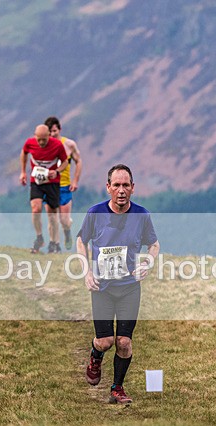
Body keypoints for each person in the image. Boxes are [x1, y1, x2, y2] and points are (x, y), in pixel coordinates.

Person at [75, 164, 160, 404]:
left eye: (125, 185)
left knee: (123, 341)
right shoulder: (95, 213)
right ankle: (95, 355)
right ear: (108, 188)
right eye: (116, 185)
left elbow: (154, 244)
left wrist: (148, 263)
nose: (121, 190)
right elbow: (81, 241)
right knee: (105, 342)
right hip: (102, 288)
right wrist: (87, 272)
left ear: (133, 188)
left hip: (129, 287)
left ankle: (117, 388)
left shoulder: (141, 215)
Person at [20, 124, 68, 253]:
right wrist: (23, 172)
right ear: (35, 136)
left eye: (44, 139)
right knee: (35, 208)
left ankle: (53, 242)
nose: (41, 142)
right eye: (39, 139)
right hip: (36, 181)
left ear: (49, 136)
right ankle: (39, 237)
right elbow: (24, 153)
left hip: (52, 182)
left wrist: (57, 171)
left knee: (52, 214)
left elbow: (65, 162)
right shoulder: (29, 143)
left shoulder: (57, 145)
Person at [44, 116, 82, 250]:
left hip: (64, 187)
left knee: (64, 220)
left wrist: (75, 180)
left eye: (54, 131)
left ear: (59, 129)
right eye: (50, 132)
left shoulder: (69, 145)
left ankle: (67, 232)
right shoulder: (44, 145)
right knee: (52, 219)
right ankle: (55, 246)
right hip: (49, 186)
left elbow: (79, 161)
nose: (52, 134)